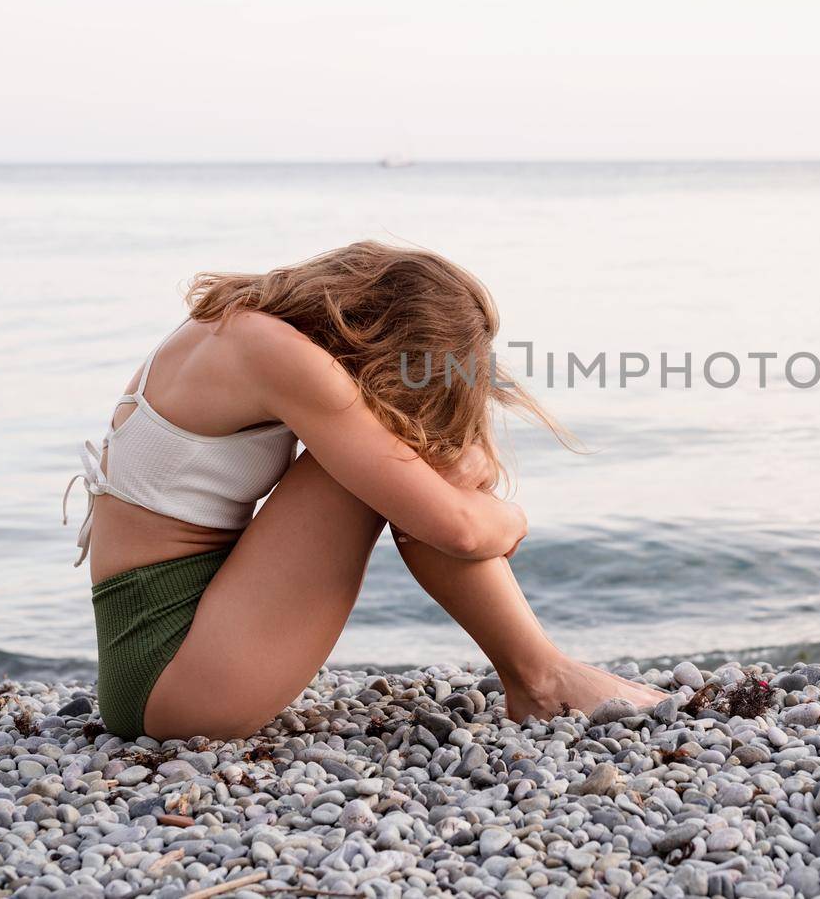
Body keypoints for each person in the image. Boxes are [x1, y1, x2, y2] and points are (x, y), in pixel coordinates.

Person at [62, 241, 664, 739]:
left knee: (401, 460)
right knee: (401, 467)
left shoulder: (233, 327)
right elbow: (455, 527)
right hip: (180, 684)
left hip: (161, 662)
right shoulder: (274, 354)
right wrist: (511, 518)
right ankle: (542, 679)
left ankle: (542, 674)